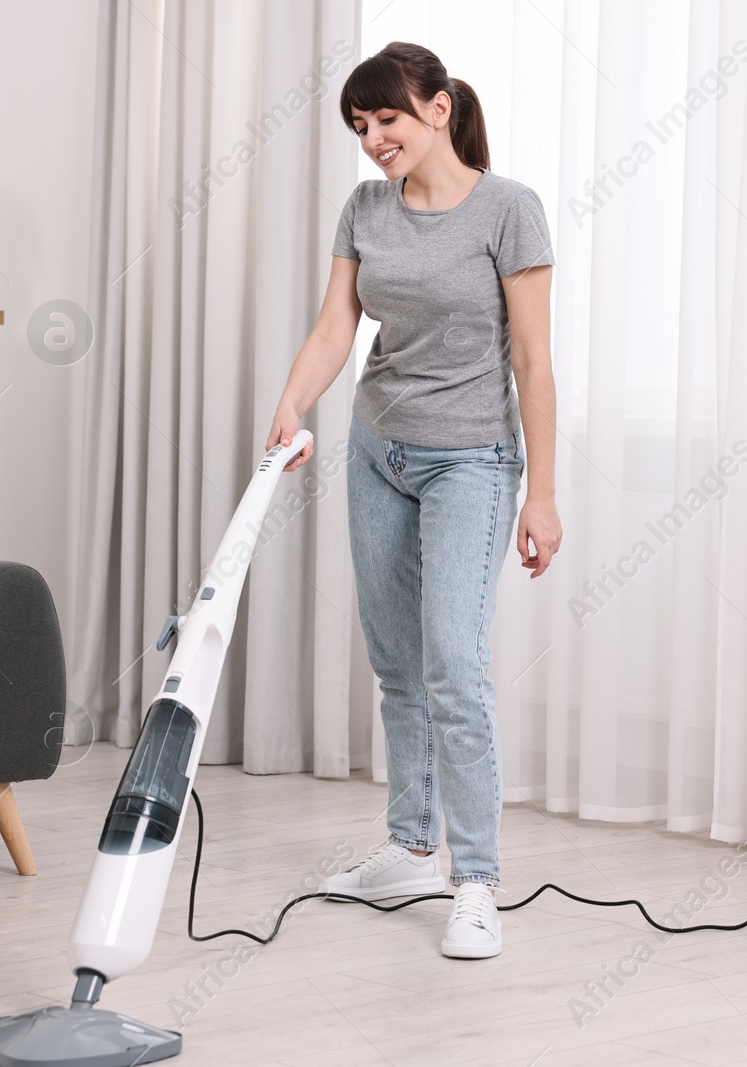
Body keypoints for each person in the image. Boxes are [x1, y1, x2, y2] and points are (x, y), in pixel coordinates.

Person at [266, 41, 561, 959]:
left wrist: (540, 494)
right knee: (396, 661)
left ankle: (477, 880)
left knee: (453, 666)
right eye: (359, 126)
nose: (373, 138)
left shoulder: (510, 210)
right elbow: (336, 326)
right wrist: (290, 402)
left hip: (470, 460)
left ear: (438, 109)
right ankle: (411, 846)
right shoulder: (365, 208)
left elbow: (533, 362)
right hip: (378, 452)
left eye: (387, 117)